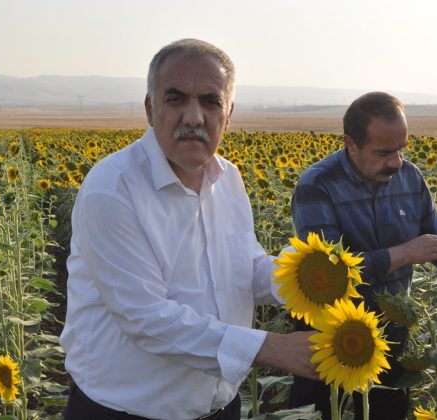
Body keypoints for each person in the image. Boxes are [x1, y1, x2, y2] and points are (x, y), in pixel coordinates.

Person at [59, 39, 318, 420]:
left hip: (219, 407)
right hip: (123, 412)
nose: (194, 117)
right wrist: (271, 347)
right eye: (176, 99)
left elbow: (243, 270)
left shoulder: (228, 179)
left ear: (228, 113)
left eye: (211, 102)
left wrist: (311, 279)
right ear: (151, 108)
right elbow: (145, 317)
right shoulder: (113, 190)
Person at [288, 92, 437, 420]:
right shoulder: (318, 185)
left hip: (391, 330)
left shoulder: (409, 177)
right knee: (322, 411)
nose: (396, 161)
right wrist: (405, 253)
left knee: (387, 411)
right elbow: (327, 275)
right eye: (384, 152)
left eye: (401, 148)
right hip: (331, 335)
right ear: (351, 144)